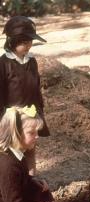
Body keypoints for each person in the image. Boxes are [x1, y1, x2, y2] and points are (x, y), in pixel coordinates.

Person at [0, 105, 58, 202]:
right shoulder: (8, 165)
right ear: (16, 133)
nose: (37, 136)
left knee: (41, 194)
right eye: (32, 133)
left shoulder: (16, 155)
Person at [0, 16, 49, 175]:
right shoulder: (4, 64)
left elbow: (36, 89)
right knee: (13, 154)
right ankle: (14, 183)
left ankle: (31, 181)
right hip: (12, 119)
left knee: (30, 149)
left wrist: (39, 113)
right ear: (13, 42)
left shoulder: (31, 62)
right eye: (25, 42)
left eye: (30, 42)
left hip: (31, 115)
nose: (29, 45)